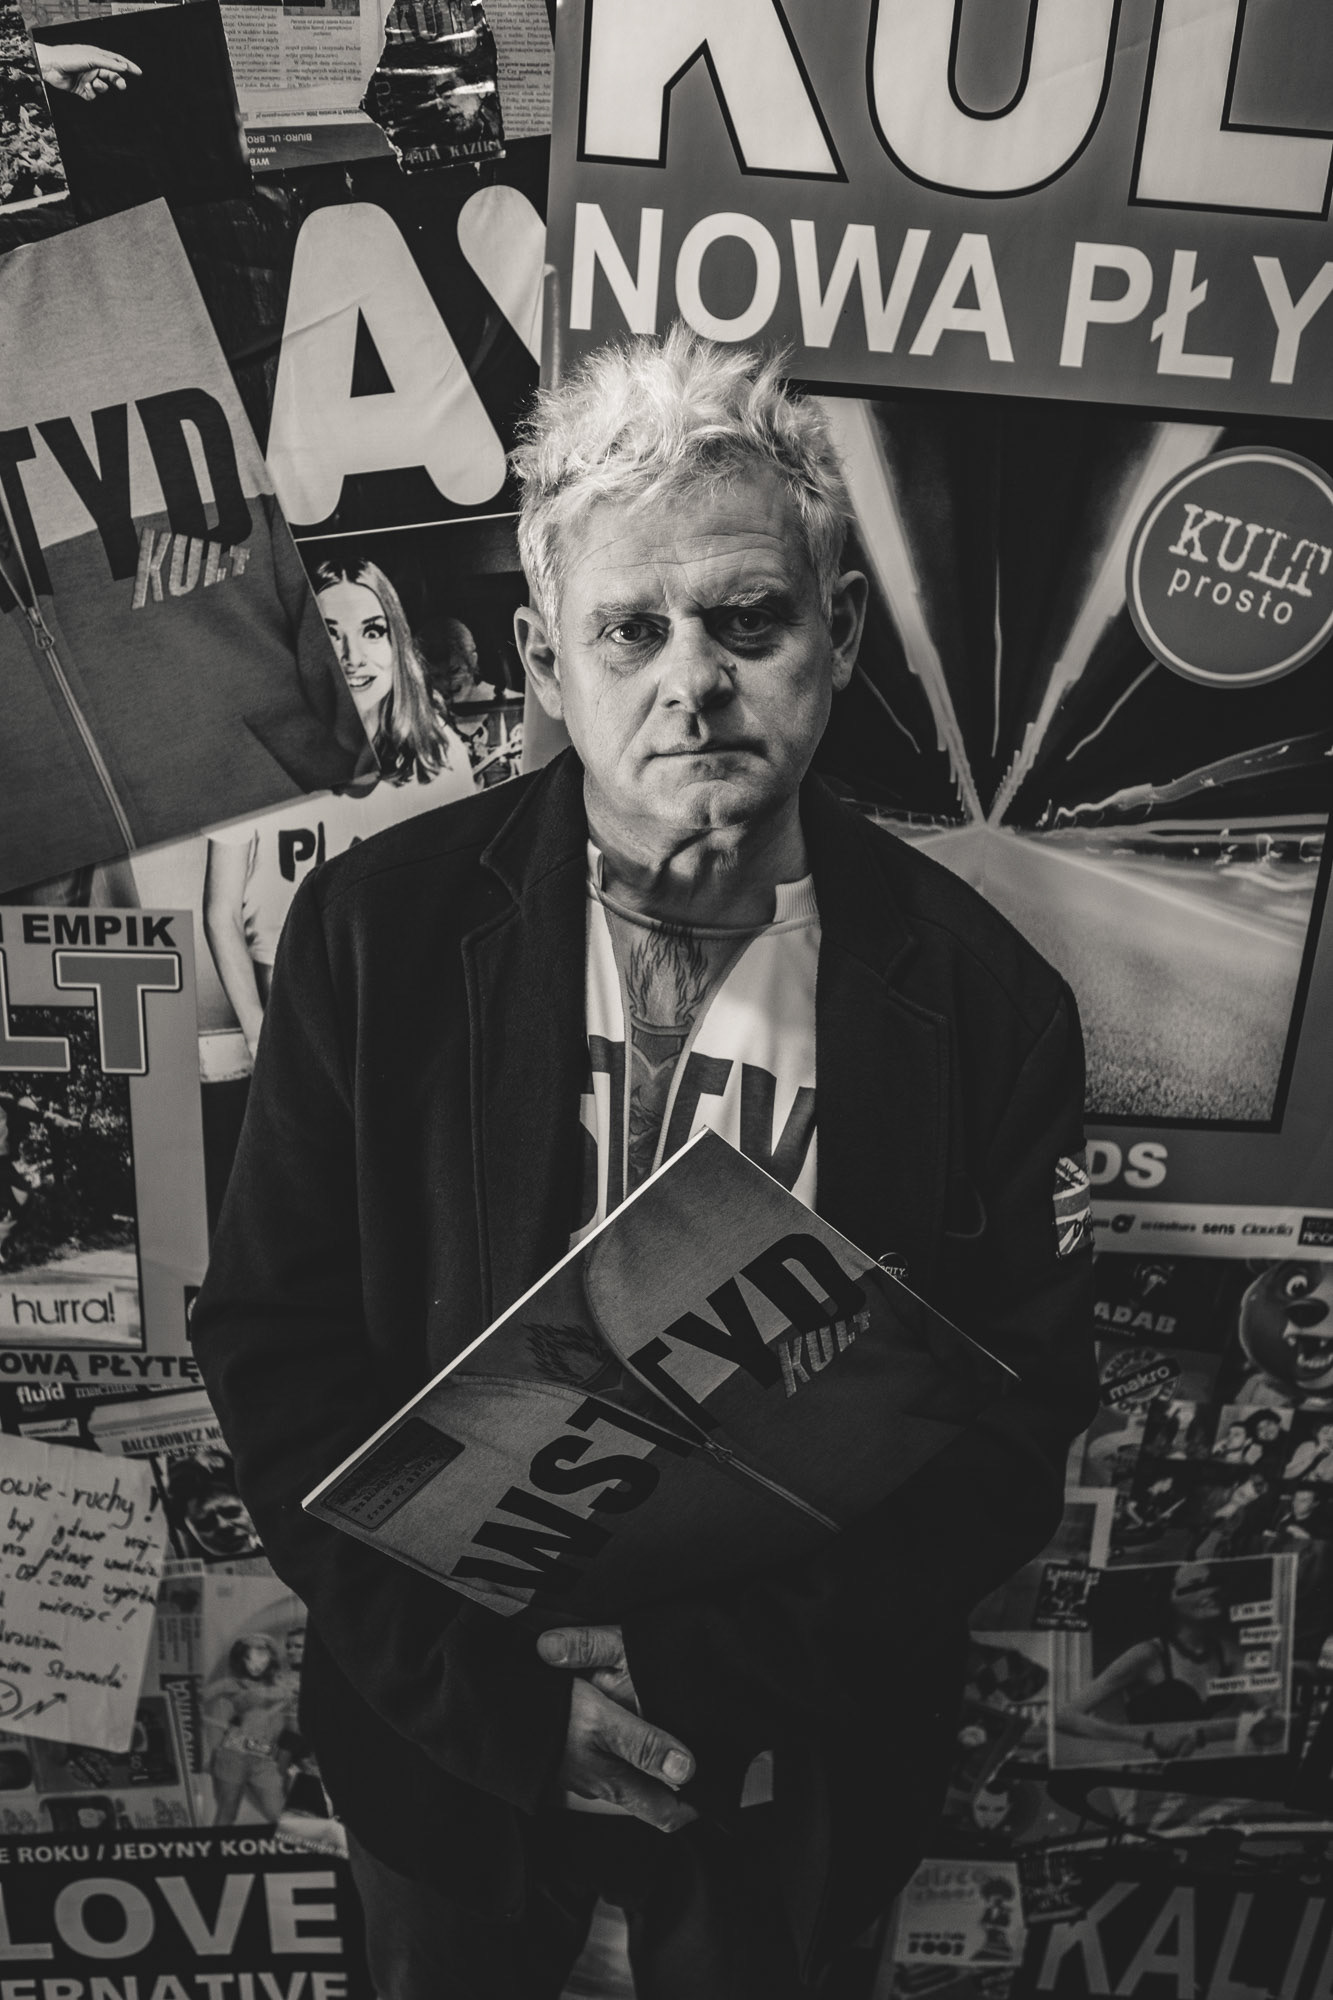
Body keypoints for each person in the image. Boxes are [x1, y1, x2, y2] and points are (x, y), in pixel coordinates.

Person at [193, 326, 1098, 1998]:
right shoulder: (377, 940)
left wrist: (697, 1677)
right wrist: (497, 1706)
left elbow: (1011, 1421)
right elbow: (277, 1355)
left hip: (796, 1775)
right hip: (446, 1761)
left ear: (836, 630)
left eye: (747, 619)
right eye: (632, 628)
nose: (693, 678)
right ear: (546, 660)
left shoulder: (986, 1005)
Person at [203, 558, 474, 1061]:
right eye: (329, 634)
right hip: (295, 1031)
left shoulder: (440, 756)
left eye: (372, 631)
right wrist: (258, 1035)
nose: (352, 657)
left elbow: (462, 905)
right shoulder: (253, 755)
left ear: (396, 644)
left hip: (413, 1026)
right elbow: (221, 914)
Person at [1054, 1562, 1273, 1764]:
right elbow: (1064, 1717)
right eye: (1195, 1586)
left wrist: (1206, 1734)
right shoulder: (1146, 1655)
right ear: (1168, 1599)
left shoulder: (1228, 1652)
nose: (1211, 1591)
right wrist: (1146, 1739)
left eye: (1212, 1583)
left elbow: (1274, 1716)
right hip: (1149, 1771)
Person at [203, 1634, 293, 1825]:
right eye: (249, 1658)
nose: (256, 1665)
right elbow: (197, 1699)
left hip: (264, 1759)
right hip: (233, 1756)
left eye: (262, 1658)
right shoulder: (230, 1684)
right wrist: (220, 1726)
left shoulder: (279, 1685)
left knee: (279, 1816)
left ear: (270, 1659)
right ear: (241, 1658)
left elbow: (286, 1695)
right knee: (227, 1813)